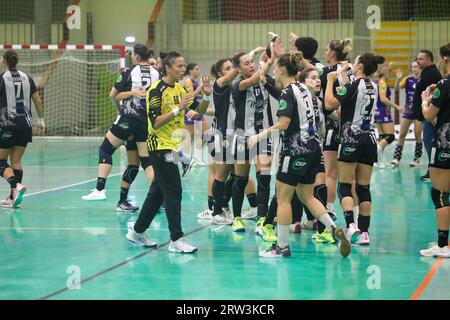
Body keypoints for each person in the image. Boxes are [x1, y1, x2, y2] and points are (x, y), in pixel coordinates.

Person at [249, 52, 350, 258]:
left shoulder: (288, 92)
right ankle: (332, 228)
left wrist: (260, 135)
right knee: (307, 195)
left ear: (283, 70)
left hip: (295, 151)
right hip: (314, 150)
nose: (274, 71)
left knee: (283, 198)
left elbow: (284, 123)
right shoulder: (306, 89)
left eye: (276, 67)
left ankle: (282, 247)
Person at [126, 51, 212, 253]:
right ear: (168, 68)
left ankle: (137, 232)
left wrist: (206, 96)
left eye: (184, 66)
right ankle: (176, 240)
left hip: (173, 145)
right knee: (174, 191)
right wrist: (176, 109)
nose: (183, 69)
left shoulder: (180, 88)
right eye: (180, 66)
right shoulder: (156, 90)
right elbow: (155, 123)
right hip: (159, 146)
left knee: (157, 192)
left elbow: (197, 112)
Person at [81, 44, 158, 212]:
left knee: (105, 150)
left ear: (136, 56)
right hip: (146, 122)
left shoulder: (129, 72)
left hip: (128, 118)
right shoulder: (157, 74)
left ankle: (99, 190)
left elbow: (113, 95)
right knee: (142, 162)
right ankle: (132, 201)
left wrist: (124, 105)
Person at [325, 53, 385, 245]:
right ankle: (365, 233)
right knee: (363, 187)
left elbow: (329, 104)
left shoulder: (352, 86)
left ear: (358, 66)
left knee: (344, 184)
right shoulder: (374, 87)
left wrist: (330, 81)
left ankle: (351, 225)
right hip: (369, 140)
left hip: (351, 139)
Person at [229, 49, 279, 233]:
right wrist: (270, 60)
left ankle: (262, 218)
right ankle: (236, 218)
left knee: (264, 177)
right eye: (246, 63)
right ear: (238, 68)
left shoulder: (264, 78)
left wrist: (275, 64)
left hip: (263, 135)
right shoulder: (237, 83)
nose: (251, 65)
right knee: (240, 179)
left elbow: (280, 90)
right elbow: (251, 80)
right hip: (243, 137)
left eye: (252, 61)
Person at [0, 49, 45, 208]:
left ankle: (15, 186)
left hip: (8, 125)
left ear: (4, 61)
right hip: (25, 125)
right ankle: (14, 197)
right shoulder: (28, 77)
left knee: (1, 162)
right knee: (16, 161)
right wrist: (41, 119)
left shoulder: (2, 78)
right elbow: (37, 101)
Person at [419, 43, 450, 258]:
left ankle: (441, 245)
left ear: (446, 58)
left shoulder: (445, 83)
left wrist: (424, 101)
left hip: (445, 145)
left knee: (440, 194)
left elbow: (429, 115)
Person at [412, 50, 443, 182]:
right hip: (425, 115)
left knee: (429, 142)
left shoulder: (431, 74)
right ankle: (433, 169)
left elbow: (433, 96)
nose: (418, 61)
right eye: (417, 58)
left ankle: (434, 170)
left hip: (430, 116)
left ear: (428, 60)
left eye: (421, 59)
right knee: (427, 140)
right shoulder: (427, 73)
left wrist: (432, 115)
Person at [391, 60, 423, 167]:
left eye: (416, 66)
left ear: (420, 68)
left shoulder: (424, 79)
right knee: (402, 134)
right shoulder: (408, 79)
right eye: (412, 67)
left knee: (417, 134)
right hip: (408, 111)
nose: (414, 68)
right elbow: (396, 88)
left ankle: (417, 159)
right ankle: (396, 158)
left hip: (419, 112)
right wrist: (398, 79)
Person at [374, 63, 402, 168]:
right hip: (382, 110)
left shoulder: (376, 82)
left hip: (376, 111)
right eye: (388, 73)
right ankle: (375, 151)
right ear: (385, 73)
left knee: (382, 137)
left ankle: (380, 161)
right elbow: (383, 98)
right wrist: (397, 107)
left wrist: (390, 68)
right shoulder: (382, 83)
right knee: (390, 137)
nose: (389, 75)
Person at [183, 63, 209, 168]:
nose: (199, 70)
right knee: (190, 136)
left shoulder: (196, 83)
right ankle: (186, 159)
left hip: (198, 111)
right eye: (196, 69)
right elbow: (190, 96)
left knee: (206, 133)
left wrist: (204, 90)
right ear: (190, 71)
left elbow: (201, 97)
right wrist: (200, 87)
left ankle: (196, 156)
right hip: (190, 111)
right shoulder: (188, 81)